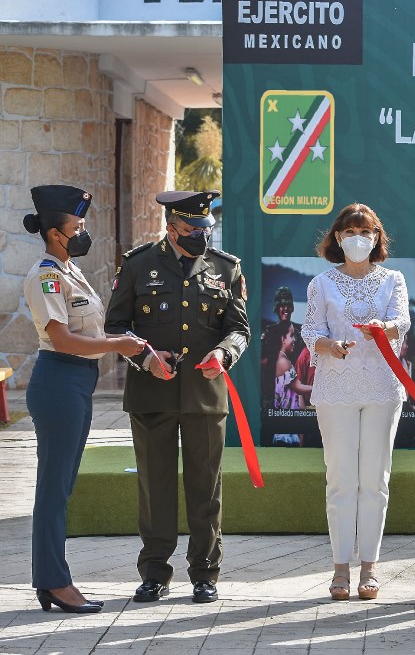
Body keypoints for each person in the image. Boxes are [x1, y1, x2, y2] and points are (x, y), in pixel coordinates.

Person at [104, 190, 250, 605]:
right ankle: (154, 572)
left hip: (205, 394)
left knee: (206, 487)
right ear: (171, 228)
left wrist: (224, 353)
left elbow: (239, 329)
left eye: (205, 228)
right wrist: (145, 358)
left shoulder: (227, 268)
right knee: (155, 485)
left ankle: (205, 573)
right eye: (191, 229)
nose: (201, 236)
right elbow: (116, 327)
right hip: (152, 394)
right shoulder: (138, 264)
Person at [22, 185, 146, 614]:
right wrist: (117, 345)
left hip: (76, 384)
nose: (82, 232)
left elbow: (86, 335)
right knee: (54, 489)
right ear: (56, 233)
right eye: (76, 226)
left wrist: (121, 342)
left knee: (62, 486)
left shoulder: (70, 271)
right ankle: (55, 582)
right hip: (58, 382)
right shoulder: (45, 276)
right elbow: (64, 339)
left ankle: (49, 579)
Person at [301, 203, 410, 601]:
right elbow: (310, 330)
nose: (358, 239)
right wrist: (330, 345)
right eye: (349, 232)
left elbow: (403, 320)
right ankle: (340, 567)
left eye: (365, 232)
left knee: (375, 480)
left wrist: (384, 328)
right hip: (335, 389)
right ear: (337, 238)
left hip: (382, 387)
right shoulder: (321, 283)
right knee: (342, 478)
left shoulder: (393, 280)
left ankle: (370, 566)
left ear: (377, 237)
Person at [264, 320, 303, 409]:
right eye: (292, 335)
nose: (294, 339)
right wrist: (318, 388)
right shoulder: (284, 362)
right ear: (283, 339)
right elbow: (298, 388)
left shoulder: (276, 358)